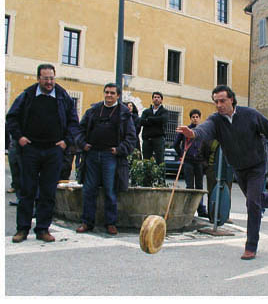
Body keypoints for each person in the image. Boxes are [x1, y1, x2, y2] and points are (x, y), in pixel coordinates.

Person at [177, 85, 268, 260]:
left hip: (257, 164)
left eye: (222, 101)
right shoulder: (216, 120)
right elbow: (205, 129)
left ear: (231, 99)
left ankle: (251, 246)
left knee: (253, 204)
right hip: (239, 168)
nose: (219, 105)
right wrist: (193, 133)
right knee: (256, 200)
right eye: (216, 101)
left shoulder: (250, 115)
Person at [6, 63, 79, 243]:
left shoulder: (63, 97)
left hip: (53, 150)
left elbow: (73, 121)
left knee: (47, 192)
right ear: (38, 78)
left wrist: (66, 142)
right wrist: (20, 137)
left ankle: (43, 229)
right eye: (45, 78)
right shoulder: (27, 95)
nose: (49, 82)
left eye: (52, 78)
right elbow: (12, 118)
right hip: (30, 149)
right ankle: (22, 229)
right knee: (27, 190)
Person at [75, 83, 137, 235]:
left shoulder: (124, 113)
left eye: (112, 93)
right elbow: (80, 130)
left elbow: (131, 137)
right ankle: (87, 222)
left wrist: (119, 150)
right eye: (107, 92)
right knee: (89, 190)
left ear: (118, 95)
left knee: (110, 190)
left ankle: (110, 223)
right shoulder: (93, 111)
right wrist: (83, 144)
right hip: (92, 155)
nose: (109, 95)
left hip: (111, 156)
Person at [173, 109, 208, 216]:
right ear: (190, 118)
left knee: (199, 186)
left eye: (197, 117)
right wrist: (181, 155)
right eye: (193, 117)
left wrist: (204, 159)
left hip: (199, 162)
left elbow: (207, 146)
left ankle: (200, 209)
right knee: (189, 186)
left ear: (200, 118)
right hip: (188, 161)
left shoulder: (202, 130)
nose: (195, 119)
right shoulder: (185, 130)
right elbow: (176, 144)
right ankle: (189, 210)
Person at [202, 139, 234, 220]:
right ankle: (212, 215)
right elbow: (203, 151)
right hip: (212, 168)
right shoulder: (210, 138)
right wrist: (206, 165)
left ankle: (225, 216)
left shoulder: (230, 137)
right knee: (212, 192)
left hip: (227, 168)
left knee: (226, 192)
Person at [140, 91, 168, 164]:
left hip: (158, 139)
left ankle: (160, 175)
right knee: (146, 161)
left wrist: (149, 119)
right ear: (152, 99)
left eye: (158, 97)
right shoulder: (146, 111)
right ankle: (146, 175)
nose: (156, 99)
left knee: (160, 161)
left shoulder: (165, 111)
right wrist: (157, 120)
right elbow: (142, 122)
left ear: (161, 100)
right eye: (155, 97)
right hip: (147, 139)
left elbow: (163, 120)